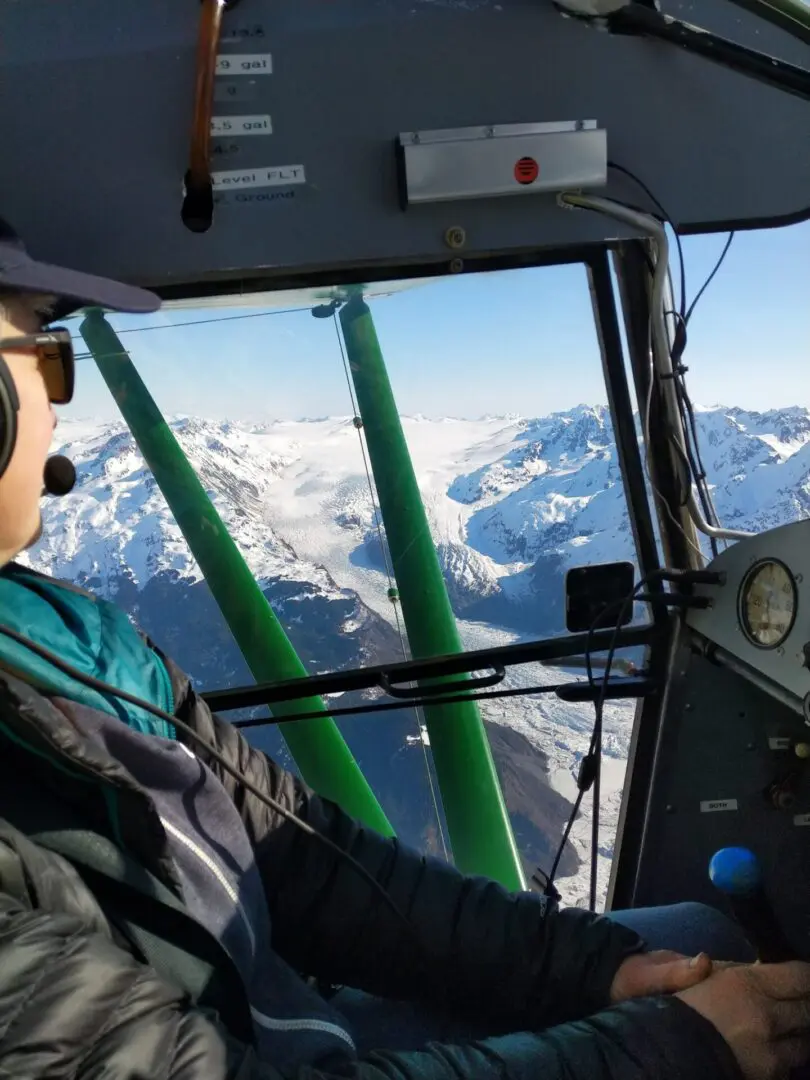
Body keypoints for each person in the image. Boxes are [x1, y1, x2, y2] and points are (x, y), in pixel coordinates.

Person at [0, 217, 809, 1080]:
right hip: (268, 1053)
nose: (57, 406)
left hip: (276, 1019)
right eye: (46, 357)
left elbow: (310, 861)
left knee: (689, 939)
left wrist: (590, 968)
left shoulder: (64, 639)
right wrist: (680, 1047)